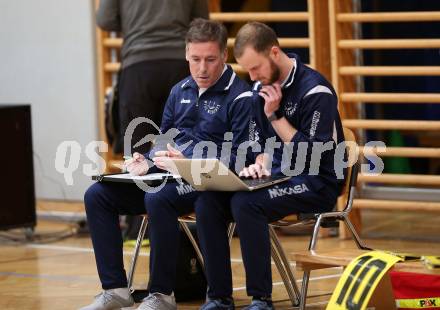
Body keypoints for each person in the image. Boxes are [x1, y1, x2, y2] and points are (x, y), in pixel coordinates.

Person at [80, 19, 252, 310]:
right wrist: (144, 161)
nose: (202, 68)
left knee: (157, 198)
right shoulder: (179, 90)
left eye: (210, 60)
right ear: (186, 54)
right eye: (195, 59)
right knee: (97, 195)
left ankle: (161, 294)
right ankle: (115, 289)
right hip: (168, 175)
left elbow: (241, 157)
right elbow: (164, 140)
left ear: (224, 55)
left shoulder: (241, 96)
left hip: (206, 181)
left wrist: (189, 163)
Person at [194, 22, 346, 310]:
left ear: (274, 52)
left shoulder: (316, 91)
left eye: (256, 68)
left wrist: (275, 117)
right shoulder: (259, 87)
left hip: (317, 180)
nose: (253, 77)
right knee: (207, 201)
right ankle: (218, 297)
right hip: (278, 177)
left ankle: (260, 299)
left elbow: (311, 155)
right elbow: (259, 146)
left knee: (246, 204)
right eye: (247, 70)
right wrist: (258, 165)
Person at [96, 0, 209, 154]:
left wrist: (133, 24)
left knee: (135, 150)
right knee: (181, 147)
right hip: (179, 63)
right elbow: (201, 20)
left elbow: (105, 19)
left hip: (138, 64)